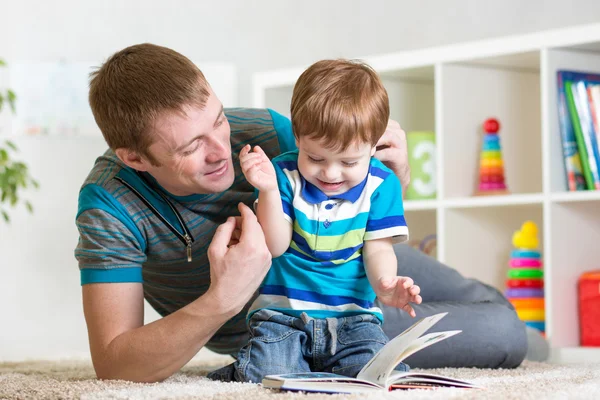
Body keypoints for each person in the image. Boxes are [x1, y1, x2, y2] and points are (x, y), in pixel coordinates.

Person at [75, 43, 531, 384]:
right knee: (504, 331)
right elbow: (115, 363)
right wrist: (226, 298)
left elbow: (355, 184)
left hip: (353, 256)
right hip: (296, 319)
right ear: (134, 158)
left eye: (217, 120)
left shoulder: (263, 130)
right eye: (192, 146)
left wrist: (397, 174)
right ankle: (527, 336)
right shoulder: (111, 205)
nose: (221, 151)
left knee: (483, 299)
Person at [207, 59, 421, 383]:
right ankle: (248, 366)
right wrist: (266, 189)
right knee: (268, 375)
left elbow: (377, 250)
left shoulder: (382, 184)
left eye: (349, 161)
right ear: (298, 137)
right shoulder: (282, 174)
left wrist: (386, 285)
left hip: (354, 319)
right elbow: (276, 246)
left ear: (374, 144)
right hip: (283, 316)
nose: (331, 174)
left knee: (376, 375)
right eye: (316, 158)